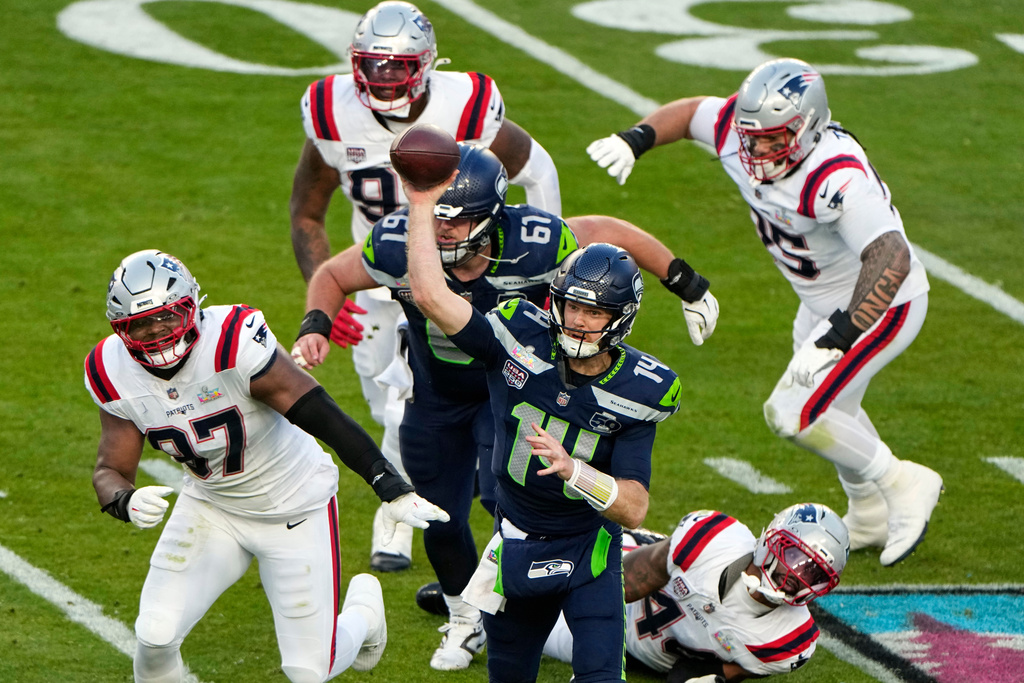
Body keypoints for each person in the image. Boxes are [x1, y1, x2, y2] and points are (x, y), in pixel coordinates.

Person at [293, 143, 716, 672]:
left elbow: (614, 237)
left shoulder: (540, 249)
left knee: (513, 502)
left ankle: (547, 586)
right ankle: (465, 615)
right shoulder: (442, 273)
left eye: (457, 218)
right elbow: (391, 287)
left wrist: (686, 282)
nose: (444, 230)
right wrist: (316, 323)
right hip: (450, 392)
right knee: (441, 517)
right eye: (437, 217)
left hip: (532, 430)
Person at [587, 57, 943, 567]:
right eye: (753, 137)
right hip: (820, 300)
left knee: (795, 412)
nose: (757, 150)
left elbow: (890, 256)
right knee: (834, 405)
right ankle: (868, 511)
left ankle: (903, 481)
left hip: (881, 305)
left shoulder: (835, 176)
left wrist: (841, 333)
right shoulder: (739, 131)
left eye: (775, 140)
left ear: (809, 129)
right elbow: (692, 114)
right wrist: (636, 139)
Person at [85, 250, 449, 683]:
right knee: (154, 634)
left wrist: (389, 485)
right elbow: (111, 467)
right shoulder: (111, 369)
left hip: (295, 506)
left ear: (191, 307)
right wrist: (123, 501)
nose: (156, 332)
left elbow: (317, 410)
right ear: (120, 329)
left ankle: (364, 614)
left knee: (308, 671)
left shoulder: (232, 340)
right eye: (139, 324)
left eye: (166, 317)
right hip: (212, 505)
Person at [289, 0, 562, 572]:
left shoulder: (468, 105)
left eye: (398, 67)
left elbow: (538, 169)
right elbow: (307, 213)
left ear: (427, 65)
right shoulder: (330, 112)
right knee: (391, 402)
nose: (384, 79)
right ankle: (420, 505)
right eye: (373, 65)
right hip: (382, 269)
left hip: (465, 272)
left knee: (426, 399)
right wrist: (321, 292)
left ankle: (403, 517)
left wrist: (541, 269)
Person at [401, 162, 684, 682]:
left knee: (601, 676)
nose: (578, 319)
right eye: (572, 305)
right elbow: (430, 297)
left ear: (619, 319)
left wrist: (575, 471)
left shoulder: (642, 389)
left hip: (588, 547)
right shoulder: (515, 334)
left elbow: (636, 508)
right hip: (515, 539)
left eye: (594, 313)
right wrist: (421, 206)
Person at [543, 503, 850, 682]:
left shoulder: (789, 641)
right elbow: (622, 581)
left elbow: (708, 673)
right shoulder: (714, 541)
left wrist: (709, 675)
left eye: (815, 573)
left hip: (641, 649)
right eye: (797, 557)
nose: (799, 575)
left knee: (534, 633)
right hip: (620, 596)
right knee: (531, 582)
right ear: (772, 539)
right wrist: (598, 652)